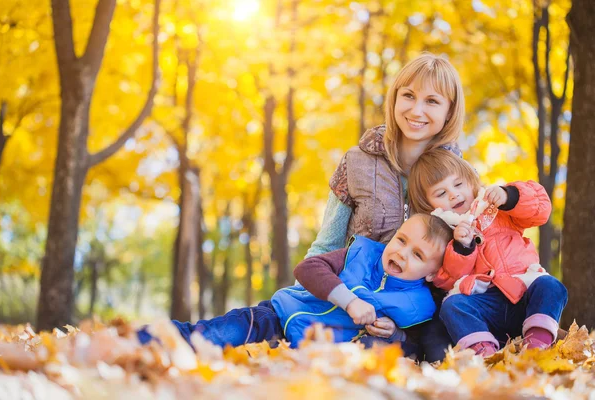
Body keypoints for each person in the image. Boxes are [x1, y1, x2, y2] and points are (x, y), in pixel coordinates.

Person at [305, 52, 465, 361]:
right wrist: (305, 293)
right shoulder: (357, 161)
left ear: (449, 112)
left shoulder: (458, 179)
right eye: (408, 95)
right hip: (346, 301)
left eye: (432, 101)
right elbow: (327, 244)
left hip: (413, 320)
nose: (416, 110)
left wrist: (403, 323)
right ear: (394, 99)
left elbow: (460, 265)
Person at [138, 214, 453, 353]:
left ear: (430, 273)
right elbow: (308, 268)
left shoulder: (420, 305)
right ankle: (153, 338)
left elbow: (420, 347)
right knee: (220, 334)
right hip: (277, 317)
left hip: (315, 350)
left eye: (417, 254)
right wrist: (349, 300)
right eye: (401, 240)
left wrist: (396, 334)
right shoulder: (360, 254)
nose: (401, 252)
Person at [408, 148, 568, 357]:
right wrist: (462, 247)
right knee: (452, 306)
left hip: (523, 291)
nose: (454, 194)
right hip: (485, 305)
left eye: (458, 184)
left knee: (551, 286)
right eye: (441, 193)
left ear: (470, 182)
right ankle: (484, 352)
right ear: (428, 205)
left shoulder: (497, 209)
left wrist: (510, 196)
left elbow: (540, 209)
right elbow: (446, 280)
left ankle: (537, 344)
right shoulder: (445, 233)